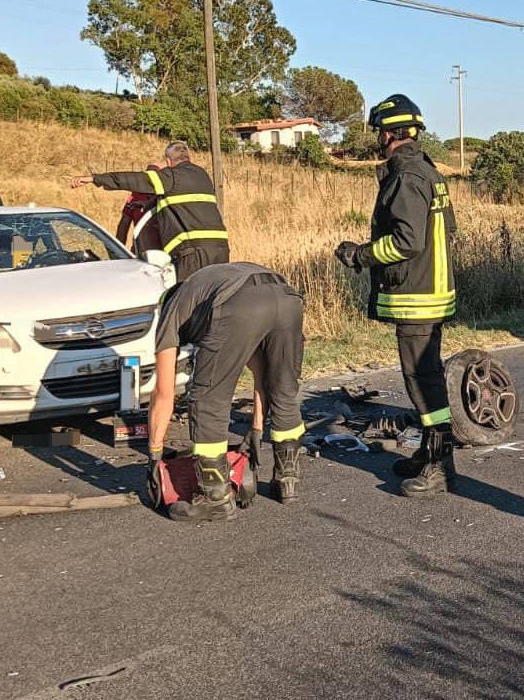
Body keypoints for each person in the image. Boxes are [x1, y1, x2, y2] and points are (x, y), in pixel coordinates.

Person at [334, 94, 458, 497]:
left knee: (422, 382)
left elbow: (407, 242)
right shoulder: (429, 172)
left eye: (379, 133)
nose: (378, 140)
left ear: (389, 133)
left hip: (416, 296)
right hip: (432, 291)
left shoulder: (407, 177)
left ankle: (439, 464)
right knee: (426, 377)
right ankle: (429, 452)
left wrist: (359, 256)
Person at [146, 262, 306, 522]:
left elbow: (163, 393)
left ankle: (215, 499)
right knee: (284, 388)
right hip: (286, 298)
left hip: (238, 303)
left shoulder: (171, 311)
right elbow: (261, 374)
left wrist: (154, 455)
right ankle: (287, 481)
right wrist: (256, 429)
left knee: (207, 399)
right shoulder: (202, 289)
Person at [71, 141, 229, 280]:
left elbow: (134, 179)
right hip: (220, 249)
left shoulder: (171, 177)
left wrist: (94, 179)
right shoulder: (202, 175)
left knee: (185, 299)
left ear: (168, 161)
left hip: (192, 252)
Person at [114, 163, 164, 257]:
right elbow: (124, 224)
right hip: (140, 251)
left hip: (164, 251)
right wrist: (118, 252)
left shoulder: (165, 196)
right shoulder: (135, 196)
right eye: (148, 175)